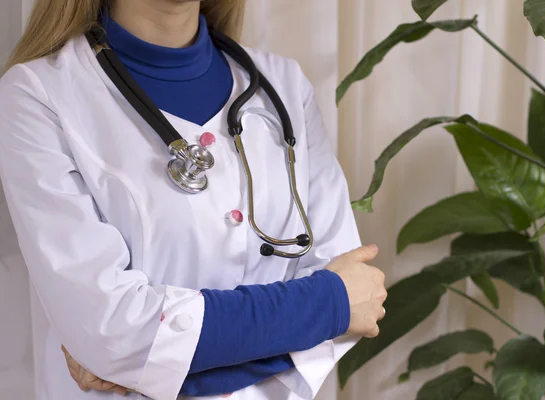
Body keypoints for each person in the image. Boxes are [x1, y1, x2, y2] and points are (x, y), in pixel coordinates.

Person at [0, 0, 387, 399]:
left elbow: (354, 297)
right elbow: (112, 332)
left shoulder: (285, 87)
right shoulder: (38, 95)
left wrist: (150, 365)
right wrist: (323, 308)